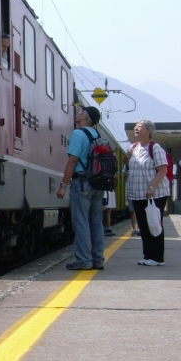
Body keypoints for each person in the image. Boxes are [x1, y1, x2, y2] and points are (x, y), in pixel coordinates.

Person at [56, 105, 105, 270]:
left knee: (81, 221)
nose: (78, 113)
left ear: (86, 116)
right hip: (97, 184)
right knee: (96, 222)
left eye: (81, 112)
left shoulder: (78, 134)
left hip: (82, 182)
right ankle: (98, 259)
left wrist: (63, 185)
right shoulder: (97, 134)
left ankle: (84, 260)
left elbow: (72, 162)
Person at [124, 119, 170, 266]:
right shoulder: (134, 147)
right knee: (143, 225)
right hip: (137, 194)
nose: (136, 128)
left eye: (140, 127)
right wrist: (126, 159)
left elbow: (163, 169)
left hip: (155, 194)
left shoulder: (155, 148)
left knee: (154, 223)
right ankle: (147, 255)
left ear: (148, 131)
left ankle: (157, 258)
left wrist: (152, 187)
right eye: (135, 126)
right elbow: (130, 166)